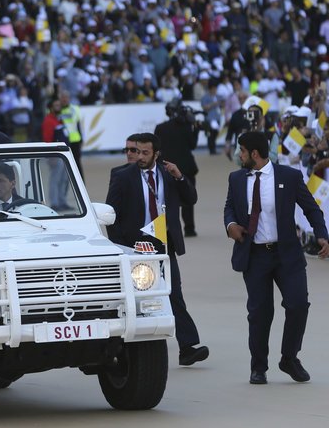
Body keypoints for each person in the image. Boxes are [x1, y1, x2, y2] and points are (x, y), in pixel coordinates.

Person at [223, 131, 329, 385]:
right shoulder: (237, 178)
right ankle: (258, 367)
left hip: (286, 254)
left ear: (255, 154)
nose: (239, 155)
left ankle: (289, 358)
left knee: (298, 305)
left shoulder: (289, 177)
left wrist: (322, 235)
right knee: (260, 313)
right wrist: (230, 225)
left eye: (242, 151)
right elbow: (229, 207)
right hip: (255, 255)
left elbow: (310, 207)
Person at [105, 132, 209, 367]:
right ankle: (124, 347)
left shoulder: (168, 173)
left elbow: (191, 199)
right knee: (136, 297)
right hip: (136, 246)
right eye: (136, 151)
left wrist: (181, 177)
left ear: (156, 154)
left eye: (144, 152)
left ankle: (188, 347)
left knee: (174, 293)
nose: (139, 156)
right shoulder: (122, 176)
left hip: (163, 244)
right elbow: (111, 215)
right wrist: (121, 247)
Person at [154, 99, 200, 237]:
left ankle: (168, 229)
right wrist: (195, 129)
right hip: (186, 167)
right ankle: (189, 228)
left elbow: (157, 147)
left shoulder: (160, 128)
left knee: (166, 200)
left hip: (166, 167)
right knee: (188, 198)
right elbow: (192, 145)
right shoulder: (185, 126)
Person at [59, 91, 84, 175]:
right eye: (63, 97)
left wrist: (81, 139)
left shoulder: (75, 109)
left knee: (77, 164)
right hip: (62, 141)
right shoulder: (57, 110)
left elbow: (79, 124)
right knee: (63, 165)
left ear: (69, 98)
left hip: (75, 140)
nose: (64, 99)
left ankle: (81, 184)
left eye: (66, 97)